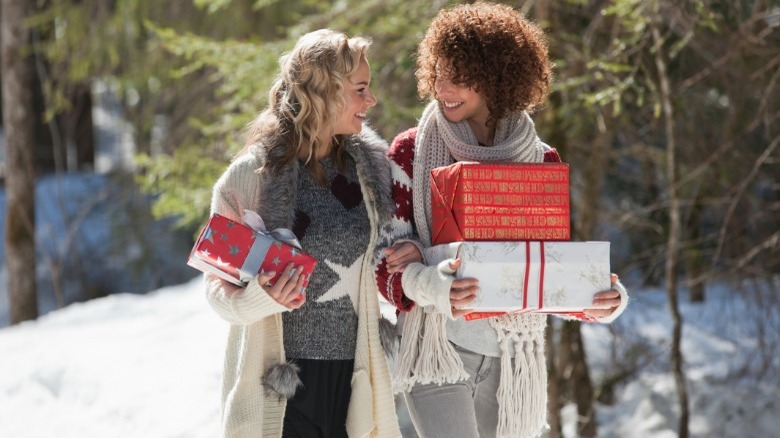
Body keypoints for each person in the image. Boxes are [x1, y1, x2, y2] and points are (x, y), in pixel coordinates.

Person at [374, 3, 629, 438]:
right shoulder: (409, 152)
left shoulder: (542, 159)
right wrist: (434, 282)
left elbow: (542, 270)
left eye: (459, 76)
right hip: (436, 350)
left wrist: (601, 297)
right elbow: (385, 267)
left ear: (498, 77)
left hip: (511, 358)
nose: (442, 87)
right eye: (438, 72)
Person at [204, 29, 413, 438]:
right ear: (324, 91)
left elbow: (384, 253)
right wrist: (259, 297)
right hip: (280, 387)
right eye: (360, 89)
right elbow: (216, 290)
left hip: (353, 381)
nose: (370, 101)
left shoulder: (368, 174)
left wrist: (405, 253)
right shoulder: (250, 177)